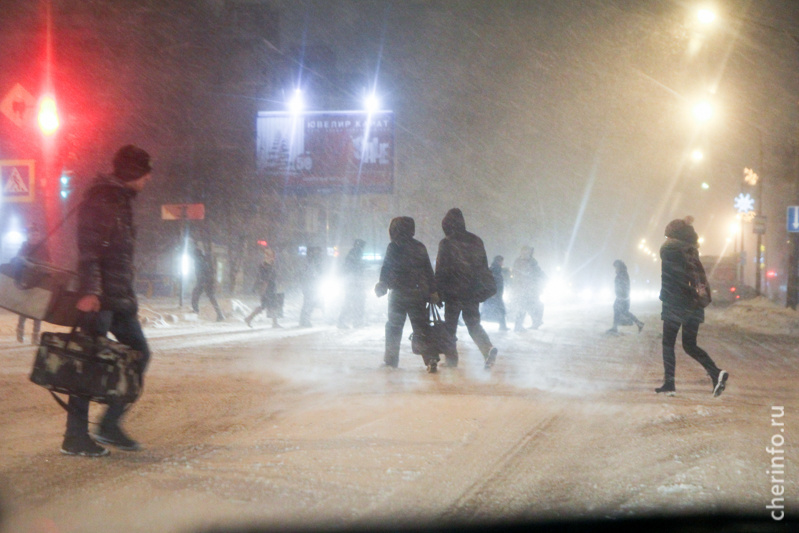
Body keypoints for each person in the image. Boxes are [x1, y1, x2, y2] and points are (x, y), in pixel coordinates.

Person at [63, 144, 153, 457]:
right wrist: (90, 292)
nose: (148, 178)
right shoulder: (102, 200)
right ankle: (75, 437)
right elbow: (89, 251)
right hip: (100, 298)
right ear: (132, 171)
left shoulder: (121, 201)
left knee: (139, 355)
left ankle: (109, 424)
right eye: (145, 171)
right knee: (86, 366)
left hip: (118, 299)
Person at [657, 216, 728, 397]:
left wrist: (668, 297)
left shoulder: (669, 249)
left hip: (675, 302)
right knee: (689, 345)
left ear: (673, 235)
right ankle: (715, 373)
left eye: (668, 235)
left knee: (668, 343)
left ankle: (670, 384)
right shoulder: (691, 250)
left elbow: (672, 278)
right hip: (695, 302)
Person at [434, 208, 498, 369]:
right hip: (471, 291)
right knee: (473, 324)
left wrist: (438, 292)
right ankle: (487, 349)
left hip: (452, 292)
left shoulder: (446, 243)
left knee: (450, 327)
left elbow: (441, 270)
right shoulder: (476, 241)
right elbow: (482, 266)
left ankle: (451, 359)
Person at [375, 216, 440, 372]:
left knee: (394, 327)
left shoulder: (393, 247)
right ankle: (430, 358)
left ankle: (391, 360)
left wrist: (383, 283)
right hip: (418, 293)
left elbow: (386, 267)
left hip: (398, 293)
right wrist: (433, 290)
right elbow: (428, 271)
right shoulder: (419, 247)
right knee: (421, 327)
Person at [15, 223, 50, 344]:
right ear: (28, 236)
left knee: (37, 310)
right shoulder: (24, 247)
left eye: (37, 235)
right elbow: (18, 258)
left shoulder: (43, 248)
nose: (35, 237)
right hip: (27, 282)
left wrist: (44, 269)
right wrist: (27, 263)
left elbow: (48, 262)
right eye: (32, 235)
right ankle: (20, 329)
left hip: (40, 283)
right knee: (25, 308)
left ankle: (35, 335)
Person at [245, 247, 281, 328]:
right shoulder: (266, 265)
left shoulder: (269, 264)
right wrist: (263, 288)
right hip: (267, 287)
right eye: (272, 255)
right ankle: (249, 318)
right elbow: (265, 278)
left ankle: (250, 318)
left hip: (270, 287)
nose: (274, 257)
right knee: (267, 305)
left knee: (269, 305)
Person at [512, 246, 546, 331]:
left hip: (530, 289)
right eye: (523, 251)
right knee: (524, 306)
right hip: (523, 289)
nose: (525, 253)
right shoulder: (519, 261)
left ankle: (533, 322)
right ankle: (521, 325)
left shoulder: (532, 261)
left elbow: (538, 271)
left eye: (527, 252)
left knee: (532, 306)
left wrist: (544, 277)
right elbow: (516, 274)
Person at [606, 259, 644, 334]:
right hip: (622, 296)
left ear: (619, 266)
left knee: (621, 311)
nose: (615, 268)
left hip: (622, 297)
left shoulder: (622, 274)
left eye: (616, 266)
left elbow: (623, 285)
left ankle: (615, 328)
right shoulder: (621, 273)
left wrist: (621, 295)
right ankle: (638, 323)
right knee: (621, 311)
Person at [191, 243, 225, 321]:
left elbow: (201, 273)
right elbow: (206, 272)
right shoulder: (203, 260)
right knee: (211, 297)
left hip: (204, 281)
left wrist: (202, 282)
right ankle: (219, 314)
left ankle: (196, 311)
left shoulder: (198, 261)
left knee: (195, 295)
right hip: (207, 281)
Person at [338, 239, 367, 329]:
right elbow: (357, 266)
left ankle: (344, 321)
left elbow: (349, 265)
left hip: (351, 281)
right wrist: (362, 267)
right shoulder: (357, 252)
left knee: (350, 301)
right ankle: (356, 321)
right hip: (354, 281)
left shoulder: (352, 252)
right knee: (357, 302)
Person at [481, 255, 509, 331]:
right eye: (501, 261)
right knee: (500, 310)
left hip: (495, 293)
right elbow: (494, 281)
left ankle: (502, 325)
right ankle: (502, 326)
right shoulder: (496, 269)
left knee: (490, 309)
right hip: (495, 294)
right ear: (499, 261)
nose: (502, 263)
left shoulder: (494, 268)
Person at [299, 246, 324, 327]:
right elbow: (308, 273)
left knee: (310, 303)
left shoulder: (314, 261)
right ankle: (304, 320)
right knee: (308, 303)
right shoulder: (309, 262)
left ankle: (304, 320)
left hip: (311, 285)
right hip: (310, 285)